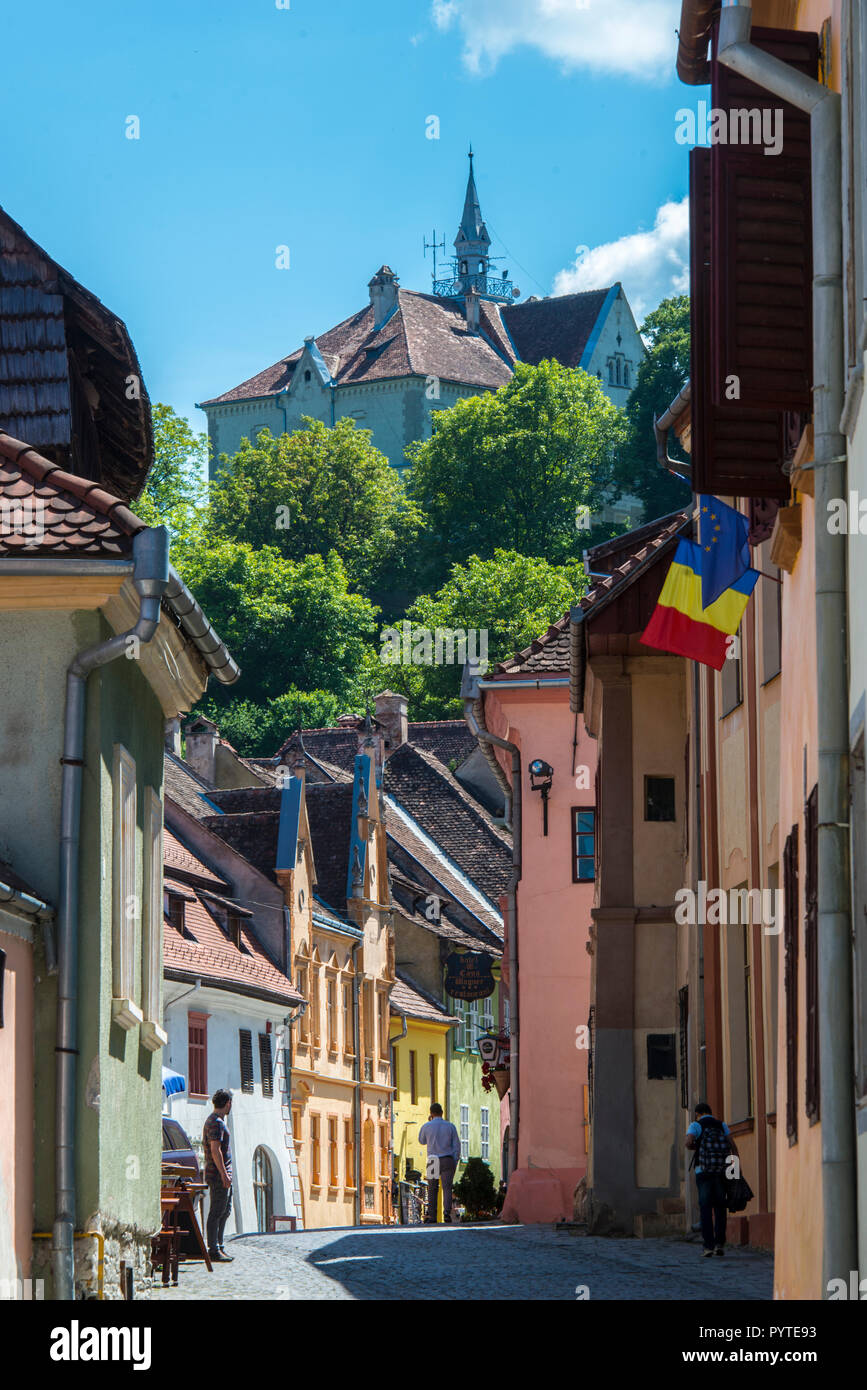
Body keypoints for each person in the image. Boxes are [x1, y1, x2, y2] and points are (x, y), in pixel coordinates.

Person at [686, 1100, 738, 1258]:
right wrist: (735, 1169)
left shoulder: (696, 1125)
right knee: (721, 1208)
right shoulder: (721, 1124)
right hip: (721, 1171)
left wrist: (698, 1146)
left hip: (703, 1171)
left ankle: (708, 1246)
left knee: (705, 1208)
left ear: (698, 1114)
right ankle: (719, 1244)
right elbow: (733, 1146)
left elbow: (688, 1142)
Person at [203, 1089, 234, 1263]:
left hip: (223, 1173)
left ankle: (219, 1246)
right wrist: (224, 1174)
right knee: (216, 1211)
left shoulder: (216, 1121)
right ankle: (213, 1248)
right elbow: (215, 1150)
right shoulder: (216, 1123)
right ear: (227, 1103)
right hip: (218, 1174)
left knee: (224, 1210)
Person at [418, 1102, 461, 1225]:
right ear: (442, 1112)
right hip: (447, 1158)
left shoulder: (427, 1126)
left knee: (432, 1188)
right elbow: (456, 1145)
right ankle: (447, 1213)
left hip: (432, 1159)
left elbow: (421, 1140)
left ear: (431, 1113)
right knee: (447, 1187)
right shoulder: (450, 1126)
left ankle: (432, 1215)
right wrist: (454, 1159)